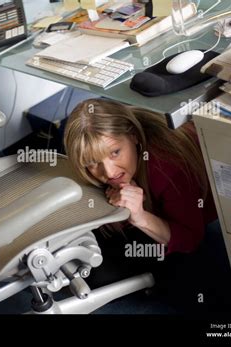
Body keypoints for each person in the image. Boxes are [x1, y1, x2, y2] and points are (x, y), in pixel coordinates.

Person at [63, 98, 218, 310]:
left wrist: (141, 217)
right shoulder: (116, 156)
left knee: (102, 278)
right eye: (92, 163)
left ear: (133, 135)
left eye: (115, 152)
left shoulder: (167, 165)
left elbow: (191, 239)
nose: (109, 172)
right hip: (152, 206)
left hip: (189, 227)